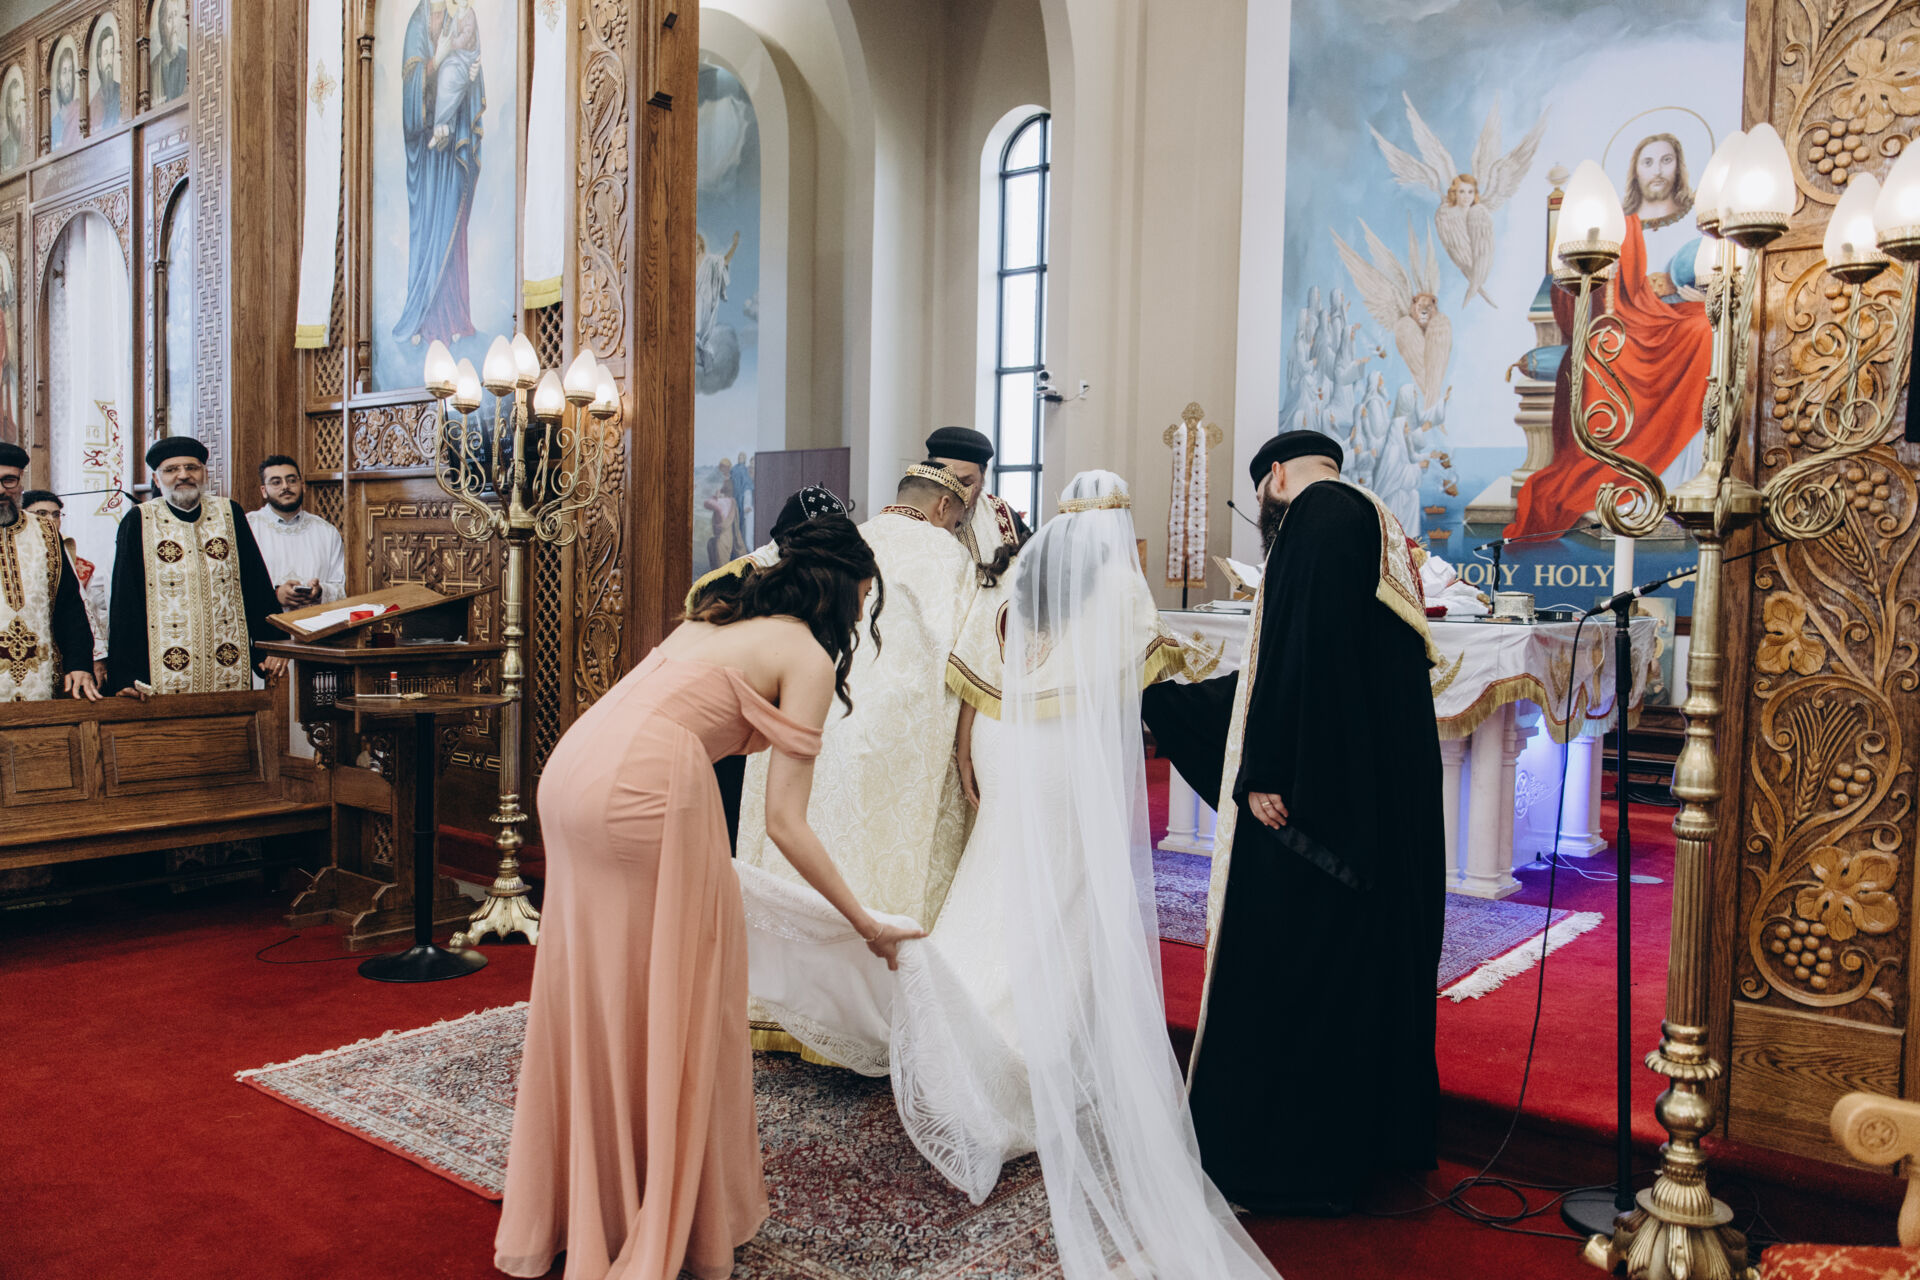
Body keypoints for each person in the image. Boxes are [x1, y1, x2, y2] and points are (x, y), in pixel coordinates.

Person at [735, 471, 1280, 1280]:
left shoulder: (1014, 578)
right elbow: (1157, 686)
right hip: (1059, 761)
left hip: (1002, 744)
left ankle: (944, 1024)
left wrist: (966, 755)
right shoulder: (1118, 596)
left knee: (995, 872)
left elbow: (970, 675)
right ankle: (1023, 1062)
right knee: (1064, 895)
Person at [494, 513, 922, 1280]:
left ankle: (587, 1207)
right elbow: (784, 822)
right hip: (649, 788)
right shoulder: (806, 655)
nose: (863, 614)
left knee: (598, 987)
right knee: (683, 993)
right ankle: (663, 1216)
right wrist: (864, 922)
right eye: (866, 596)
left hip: (570, 774)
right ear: (843, 589)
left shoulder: (718, 616)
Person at [1142, 430, 1445, 1215]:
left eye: (1260, 500)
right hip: (1370, 790)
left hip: (1316, 797)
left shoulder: (1316, 516)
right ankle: (1373, 1145)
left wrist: (1266, 771)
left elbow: (1305, 651)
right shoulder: (1373, 516)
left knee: (1287, 958)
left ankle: (1277, 1164)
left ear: (1275, 477)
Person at [734, 462, 977, 1059]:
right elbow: (968, 659)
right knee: (881, 862)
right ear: (945, 508)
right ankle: (869, 1018)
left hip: (819, 709)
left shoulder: (849, 536)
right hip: (902, 741)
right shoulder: (951, 559)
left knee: (803, 845)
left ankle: (782, 1007)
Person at [688, 483, 850, 850]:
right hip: (729, 729)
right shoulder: (730, 581)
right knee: (727, 831)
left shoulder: (811, 586)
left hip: (779, 727)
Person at [106, 437, 285, 697]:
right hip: (161, 670)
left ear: (204, 473)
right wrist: (125, 675)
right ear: (157, 479)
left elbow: (255, 583)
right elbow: (125, 601)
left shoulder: (229, 513)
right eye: (171, 469)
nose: (183, 475)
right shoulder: (139, 520)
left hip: (228, 663)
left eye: (191, 467)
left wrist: (272, 645)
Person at [0, 445, 98, 700]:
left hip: (42, 679)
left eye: (8, 480)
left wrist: (79, 663)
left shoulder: (45, 531)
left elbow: (69, 606)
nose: (1, 490)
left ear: (21, 480)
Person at [22, 490, 108, 684]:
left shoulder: (81, 564)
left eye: (55, 514)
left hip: (68, 654)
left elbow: (85, 611)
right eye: (41, 514)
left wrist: (96, 656)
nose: (50, 520)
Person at [247, 455, 346, 609]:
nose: (285, 487)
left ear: (303, 486)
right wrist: (275, 595)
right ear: (264, 491)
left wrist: (320, 592)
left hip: (314, 621)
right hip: (266, 622)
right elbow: (235, 585)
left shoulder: (326, 532)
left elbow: (341, 588)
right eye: (276, 482)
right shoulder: (248, 527)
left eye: (292, 480)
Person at [925, 425, 1029, 564]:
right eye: (945, 481)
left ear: (983, 474)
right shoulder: (913, 514)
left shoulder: (1001, 514)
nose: (955, 493)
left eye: (965, 483)